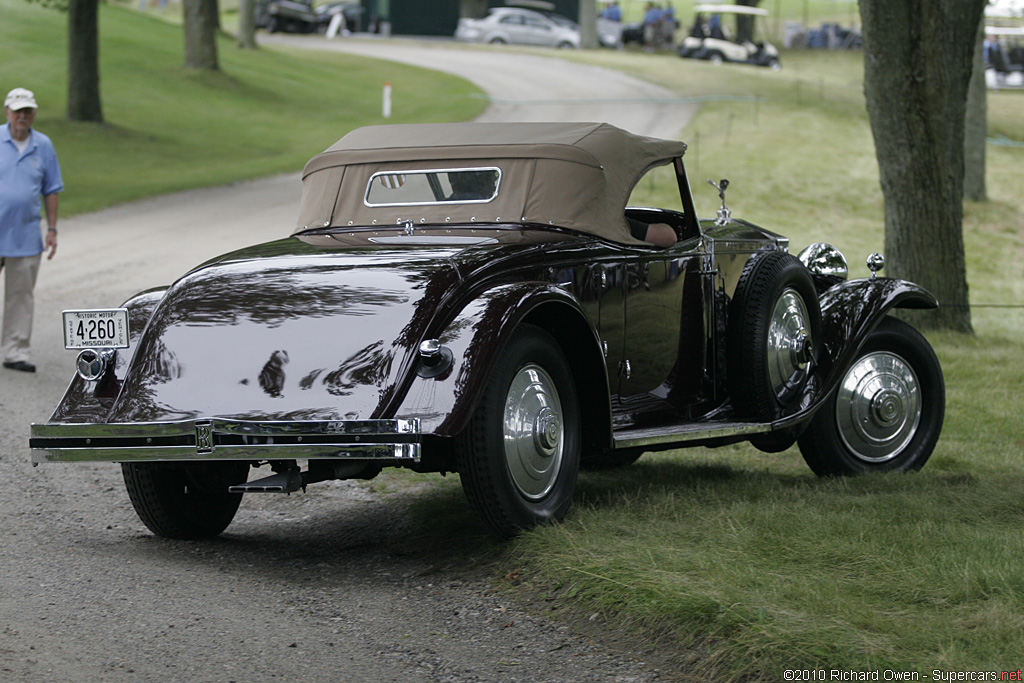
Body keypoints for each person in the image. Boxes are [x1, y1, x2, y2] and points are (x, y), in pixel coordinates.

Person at [1, 87, 63, 373]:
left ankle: (15, 351)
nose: (22, 116)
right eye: (17, 111)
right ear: (7, 112)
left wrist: (52, 228)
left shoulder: (43, 145)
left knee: (20, 295)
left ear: (34, 113)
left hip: (25, 234)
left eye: (27, 111)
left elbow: (51, 189)